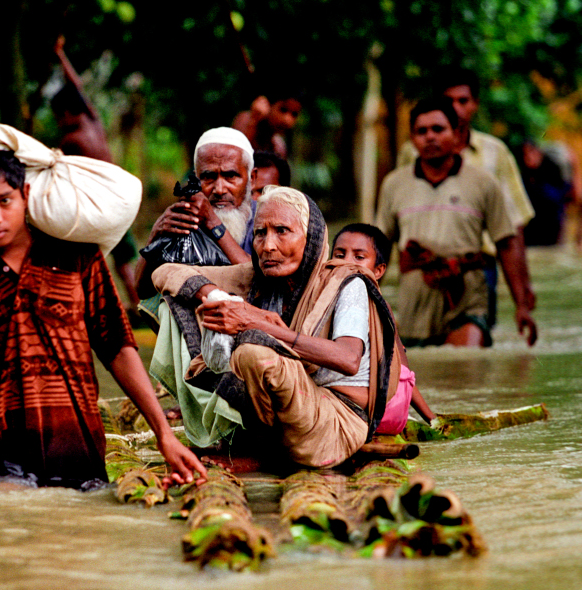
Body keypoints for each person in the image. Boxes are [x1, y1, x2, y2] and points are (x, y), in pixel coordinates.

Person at [0, 150, 206, 492]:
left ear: (26, 196)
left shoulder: (75, 255)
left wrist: (165, 436)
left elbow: (117, 346)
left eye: (4, 201)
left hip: (79, 454)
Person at [150, 186, 407, 469]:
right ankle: (249, 441)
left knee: (253, 352)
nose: (268, 245)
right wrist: (216, 297)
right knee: (175, 302)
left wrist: (262, 323)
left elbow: (347, 359)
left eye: (282, 230)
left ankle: (261, 455)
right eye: (260, 233)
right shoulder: (258, 277)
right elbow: (165, 271)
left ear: (311, 239)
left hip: (335, 424)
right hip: (289, 416)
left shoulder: (346, 283)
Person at [376, 98, 537, 348]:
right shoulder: (394, 184)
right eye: (422, 131)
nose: (430, 137)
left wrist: (522, 306)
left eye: (438, 129)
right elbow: (379, 249)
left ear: (457, 134)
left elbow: (506, 243)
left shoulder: (483, 183)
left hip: (468, 300)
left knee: (466, 364)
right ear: (412, 138)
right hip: (414, 306)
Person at [51, 35, 140, 312]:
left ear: (65, 113)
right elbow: (77, 87)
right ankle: (136, 302)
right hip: (119, 194)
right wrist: (60, 55)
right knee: (123, 256)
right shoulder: (93, 121)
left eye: (58, 117)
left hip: (105, 199)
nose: (58, 123)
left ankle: (132, 304)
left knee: (101, 255)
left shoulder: (72, 140)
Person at [331, 223, 435, 433]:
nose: (347, 263)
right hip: (396, 406)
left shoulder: (374, 304)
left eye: (359, 257)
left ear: (378, 271)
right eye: (340, 255)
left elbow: (401, 374)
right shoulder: (341, 298)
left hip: (387, 408)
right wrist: (431, 418)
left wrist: (431, 418)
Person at [133, 127, 256, 301]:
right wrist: (155, 235)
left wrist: (213, 223)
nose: (219, 189)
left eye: (230, 176)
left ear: (252, 177)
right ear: (196, 178)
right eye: (208, 177)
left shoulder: (266, 218)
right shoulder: (185, 219)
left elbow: (261, 282)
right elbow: (141, 290)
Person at [517, 140, 573, 246]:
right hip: (531, 230)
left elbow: (566, 198)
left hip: (552, 227)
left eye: (531, 152)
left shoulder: (553, 170)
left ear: (538, 152)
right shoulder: (522, 178)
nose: (529, 157)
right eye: (525, 154)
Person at [232, 89, 302, 159]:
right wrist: (254, 120)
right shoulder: (245, 120)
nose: (287, 120)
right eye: (283, 110)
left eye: (294, 114)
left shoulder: (279, 148)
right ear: (268, 105)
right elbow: (235, 157)